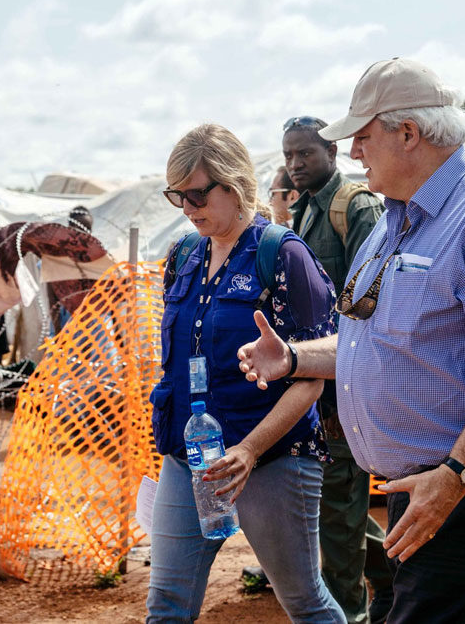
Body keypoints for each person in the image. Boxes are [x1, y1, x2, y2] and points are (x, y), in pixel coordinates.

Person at [237, 58, 465, 623]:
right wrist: (291, 358)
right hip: (431, 485)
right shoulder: (394, 220)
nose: (354, 151)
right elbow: (368, 344)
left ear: (408, 133)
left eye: (363, 137)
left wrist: (454, 477)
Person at [146, 123, 345, 623]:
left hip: (273, 458)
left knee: (304, 602)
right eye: (177, 196)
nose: (187, 208)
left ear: (234, 186)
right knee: (165, 604)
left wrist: (251, 450)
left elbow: (315, 375)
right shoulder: (183, 255)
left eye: (197, 194)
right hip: (191, 456)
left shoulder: (281, 254)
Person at [282, 115, 391, 624]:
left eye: (305, 153)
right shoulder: (303, 211)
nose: (295, 163)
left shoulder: (356, 207)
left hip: (347, 386)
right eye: (288, 155)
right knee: (336, 510)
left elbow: (374, 300)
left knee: (340, 511)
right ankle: (395, 579)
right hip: (314, 383)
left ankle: (351, 614)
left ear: (332, 151)